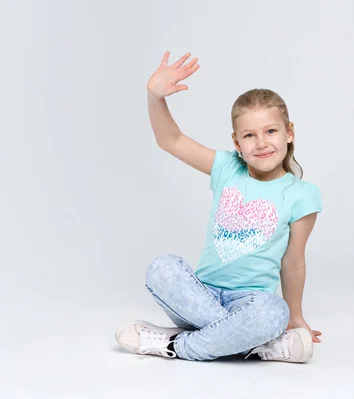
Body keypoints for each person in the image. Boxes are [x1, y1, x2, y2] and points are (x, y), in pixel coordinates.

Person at [115, 51, 323, 363]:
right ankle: (254, 345)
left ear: (289, 132)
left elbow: (292, 262)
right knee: (162, 268)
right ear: (237, 143)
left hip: (250, 303)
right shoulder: (227, 167)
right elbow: (170, 140)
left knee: (273, 313)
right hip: (201, 296)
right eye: (249, 135)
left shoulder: (301, 194)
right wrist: (155, 96)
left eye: (271, 131)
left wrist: (295, 316)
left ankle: (176, 345)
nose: (261, 142)